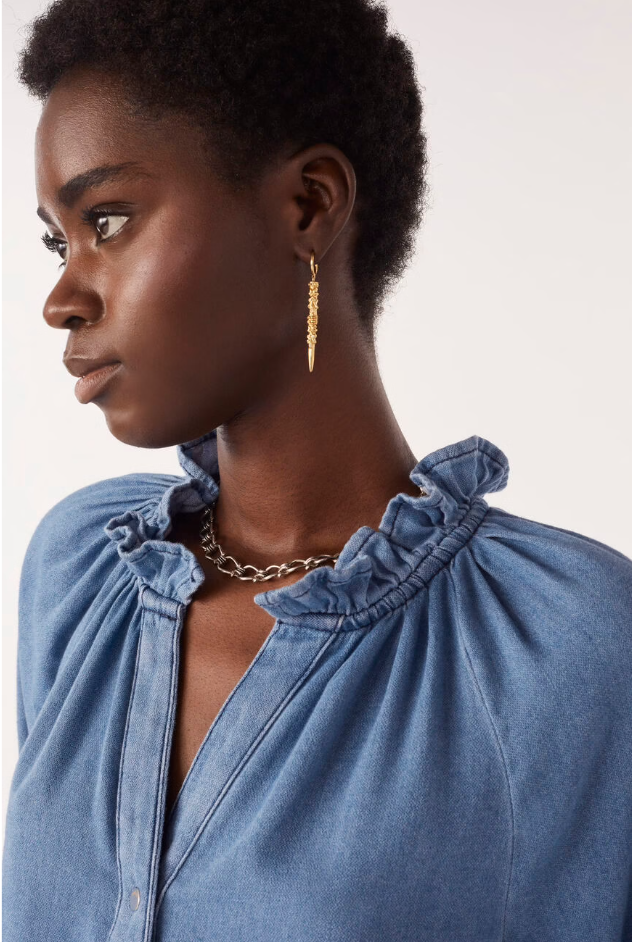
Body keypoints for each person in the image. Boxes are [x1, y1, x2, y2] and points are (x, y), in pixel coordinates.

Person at [3, 0, 632, 940]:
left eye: (110, 219)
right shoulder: (80, 572)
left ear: (308, 205)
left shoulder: (561, 644)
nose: (62, 298)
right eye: (59, 239)